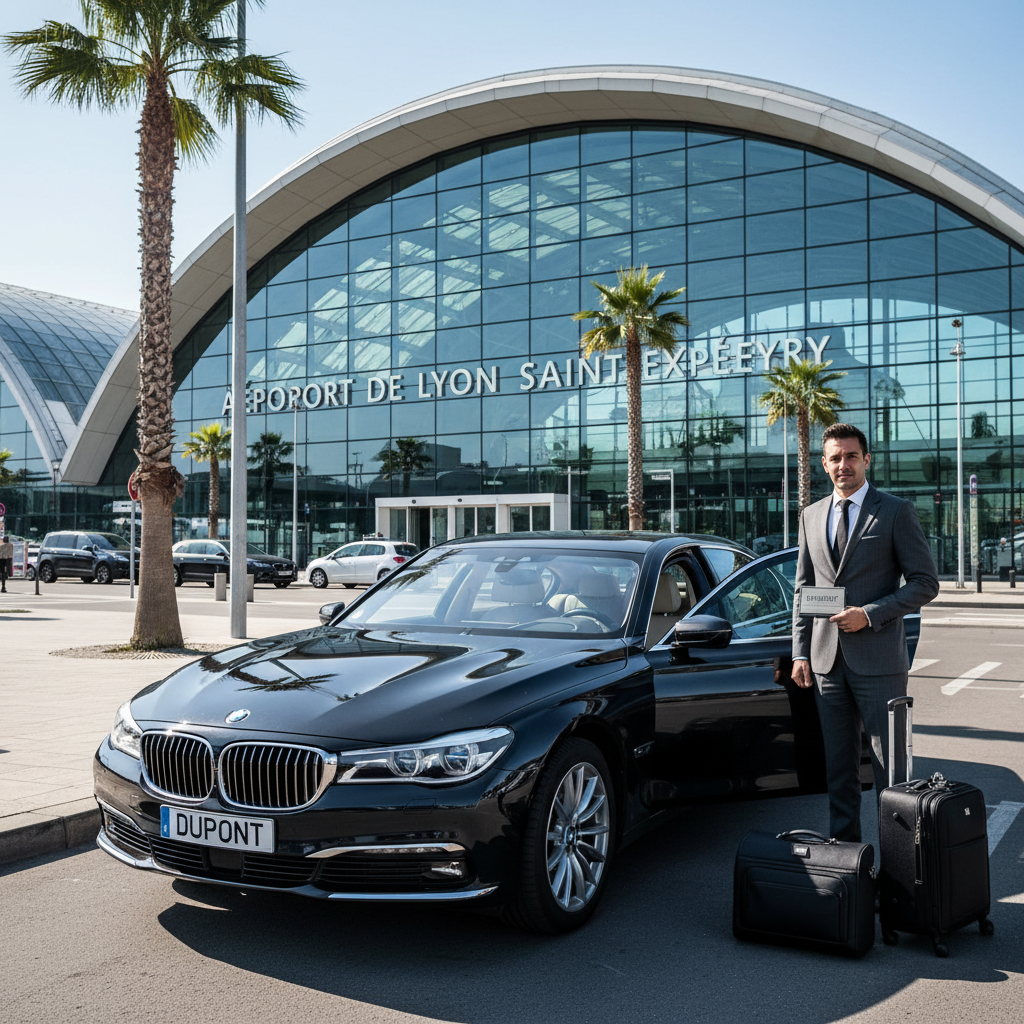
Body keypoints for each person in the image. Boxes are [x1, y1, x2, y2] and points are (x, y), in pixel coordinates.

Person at [792, 423, 938, 842]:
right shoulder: (811, 515)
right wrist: (800, 652)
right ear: (824, 463)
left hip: (879, 663)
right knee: (839, 773)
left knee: (892, 773)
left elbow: (925, 582)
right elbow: (805, 589)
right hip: (825, 664)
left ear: (866, 459)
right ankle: (849, 869)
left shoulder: (894, 511)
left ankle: (900, 872)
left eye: (851, 456)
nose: (843, 465)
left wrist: (870, 614)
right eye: (835, 458)